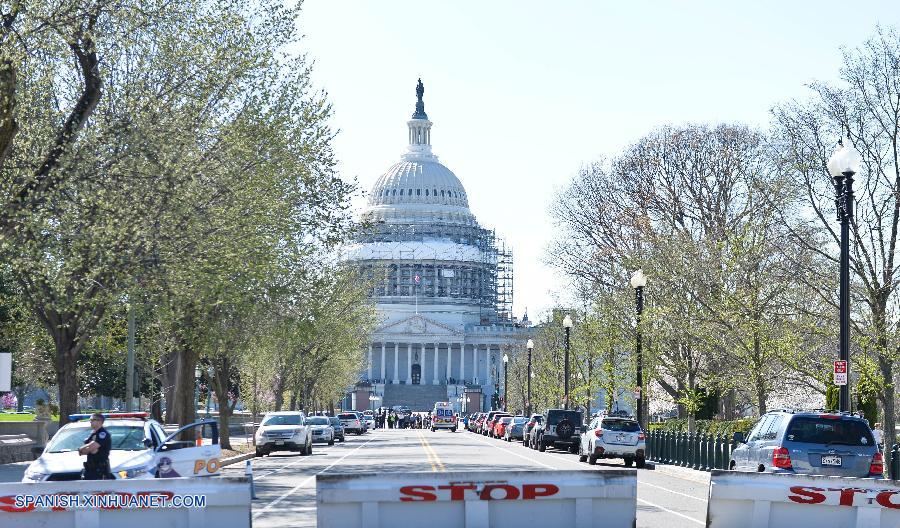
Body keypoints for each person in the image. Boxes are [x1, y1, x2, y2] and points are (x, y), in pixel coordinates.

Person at [79, 412, 112, 480]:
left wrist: (83, 448)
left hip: (99, 470)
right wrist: (86, 449)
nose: (90, 422)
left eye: (92, 420)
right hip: (90, 469)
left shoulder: (103, 434)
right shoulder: (93, 434)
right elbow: (82, 452)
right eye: (90, 420)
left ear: (99, 421)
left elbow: (92, 447)